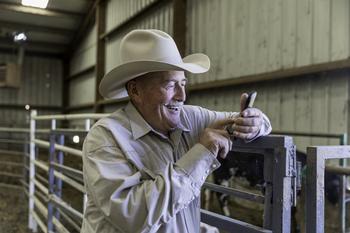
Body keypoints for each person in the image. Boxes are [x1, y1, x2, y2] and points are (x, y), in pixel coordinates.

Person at [81, 29, 272, 233]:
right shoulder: (105, 138)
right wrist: (201, 153)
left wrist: (254, 122)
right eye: (170, 85)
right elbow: (134, 216)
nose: (181, 96)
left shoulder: (190, 117)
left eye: (183, 84)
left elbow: (256, 122)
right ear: (135, 90)